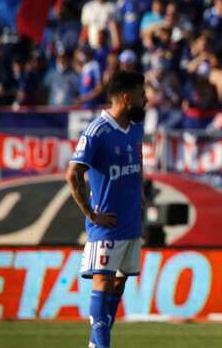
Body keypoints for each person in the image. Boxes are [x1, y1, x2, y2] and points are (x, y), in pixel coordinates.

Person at [65, 70, 147, 348]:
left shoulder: (136, 128)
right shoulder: (97, 130)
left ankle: (95, 343)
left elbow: (138, 164)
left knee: (118, 284)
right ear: (126, 98)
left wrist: (142, 200)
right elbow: (73, 173)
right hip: (107, 226)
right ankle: (101, 345)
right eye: (141, 94)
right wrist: (90, 214)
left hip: (132, 225)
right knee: (102, 282)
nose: (146, 100)